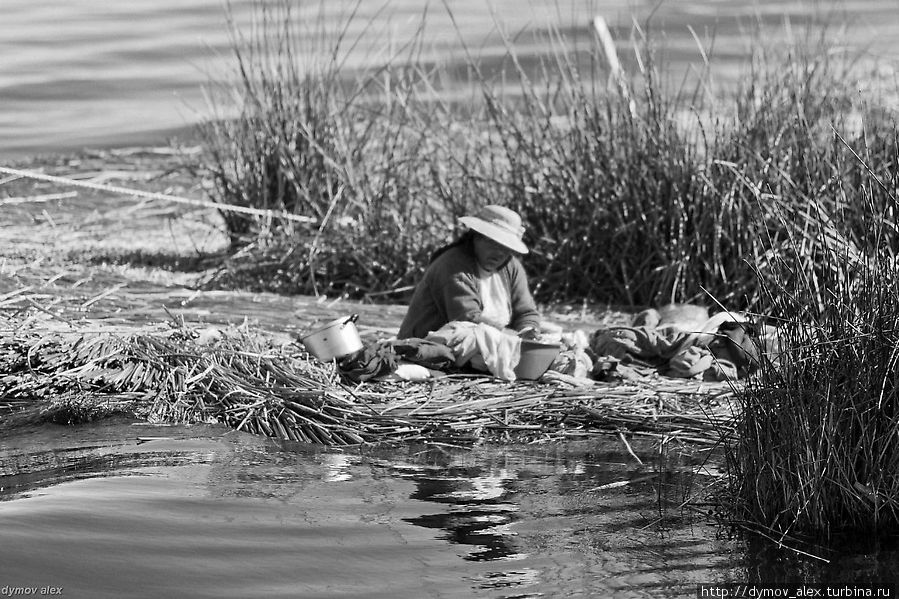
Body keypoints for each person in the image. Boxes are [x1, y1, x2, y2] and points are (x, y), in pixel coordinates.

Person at [397, 204, 541, 340]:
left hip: (495, 343)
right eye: (493, 243)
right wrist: (513, 338)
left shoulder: (512, 267)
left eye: (506, 247)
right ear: (476, 237)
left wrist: (527, 332)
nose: (499, 253)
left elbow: (526, 312)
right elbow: (468, 320)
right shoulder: (453, 265)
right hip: (427, 347)